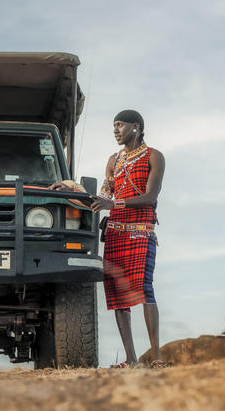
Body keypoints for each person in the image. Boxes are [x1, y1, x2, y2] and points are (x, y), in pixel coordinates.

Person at [88, 109, 166, 368]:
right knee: (118, 294)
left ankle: (156, 358)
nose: (115, 130)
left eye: (120, 125)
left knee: (145, 288)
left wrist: (113, 203)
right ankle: (131, 360)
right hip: (115, 234)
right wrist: (70, 188)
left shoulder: (154, 156)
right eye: (114, 125)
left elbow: (150, 196)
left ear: (137, 127)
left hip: (140, 231)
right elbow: (102, 195)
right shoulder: (113, 160)